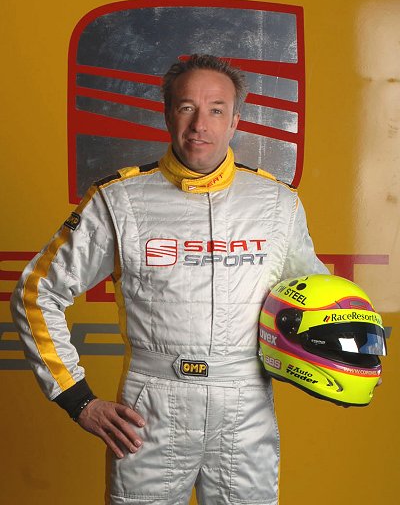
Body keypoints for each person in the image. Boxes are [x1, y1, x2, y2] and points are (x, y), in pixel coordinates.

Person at [11, 54, 328, 505]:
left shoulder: (278, 204)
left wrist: (342, 361)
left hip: (246, 408)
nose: (200, 124)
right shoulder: (118, 200)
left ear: (235, 121)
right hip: (150, 411)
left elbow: (319, 300)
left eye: (216, 109)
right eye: (186, 107)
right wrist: (77, 399)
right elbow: (35, 292)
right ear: (167, 115)